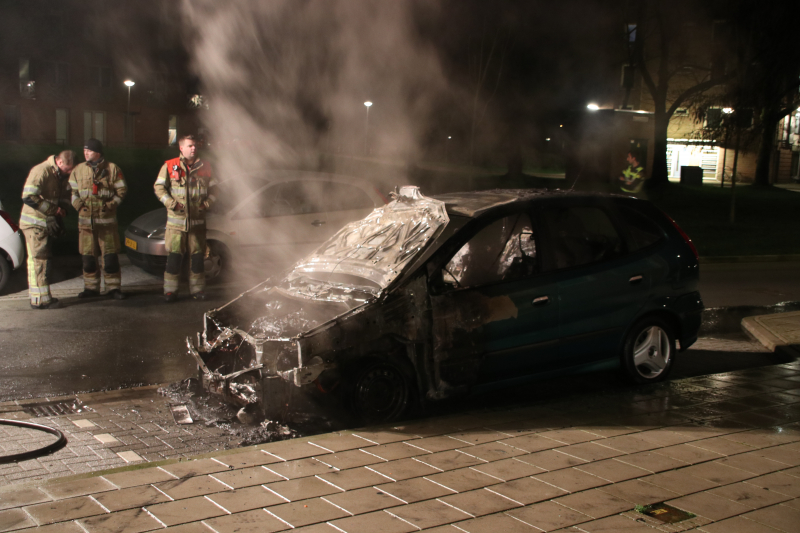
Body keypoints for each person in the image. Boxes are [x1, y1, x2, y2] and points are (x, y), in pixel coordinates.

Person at [154, 135, 217, 302]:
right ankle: (170, 291)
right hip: (176, 225)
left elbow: (216, 190)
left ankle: (197, 290)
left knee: (197, 259)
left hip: (197, 225)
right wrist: (171, 203)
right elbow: (159, 188)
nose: (193, 148)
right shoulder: (170, 165)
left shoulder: (206, 166)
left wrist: (207, 204)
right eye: (190, 146)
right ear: (181, 148)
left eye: (195, 146)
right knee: (174, 258)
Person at [68, 138, 127, 299]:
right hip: (86, 225)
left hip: (107, 224)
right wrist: (79, 205)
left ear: (98, 153)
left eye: (89, 150)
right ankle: (91, 288)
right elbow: (71, 193)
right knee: (88, 259)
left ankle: (113, 288)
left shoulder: (113, 169)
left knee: (110, 258)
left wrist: (110, 205)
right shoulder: (77, 170)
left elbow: (121, 191)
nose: (85, 152)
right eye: (85, 150)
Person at [19, 151, 75, 309]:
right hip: (35, 224)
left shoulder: (60, 175)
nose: (69, 173)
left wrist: (62, 210)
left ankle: (38, 297)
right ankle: (42, 299)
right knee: (40, 261)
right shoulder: (41, 171)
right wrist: (53, 211)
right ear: (59, 162)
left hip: (43, 223)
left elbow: (64, 195)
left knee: (36, 260)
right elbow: (28, 196)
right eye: (68, 169)